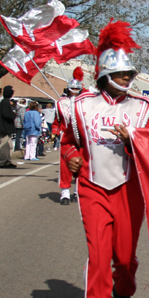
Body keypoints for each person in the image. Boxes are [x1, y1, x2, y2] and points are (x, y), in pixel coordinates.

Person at [62, 20, 149, 298]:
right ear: (104, 75)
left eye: (130, 74)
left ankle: (124, 293)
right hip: (93, 186)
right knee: (99, 254)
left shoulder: (144, 109)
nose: (128, 80)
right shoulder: (81, 107)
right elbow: (68, 142)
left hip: (130, 189)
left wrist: (132, 143)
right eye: (121, 75)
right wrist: (72, 157)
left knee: (125, 256)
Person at [56, 67, 85, 205]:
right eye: (72, 89)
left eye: (77, 89)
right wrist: (55, 130)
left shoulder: (85, 102)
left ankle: (77, 191)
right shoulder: (60, 103)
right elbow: (57, 121)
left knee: (82, 166)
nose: (74, 91)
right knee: (66, 166)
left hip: (82, 139)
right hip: (66, 139)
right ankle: (64, 193)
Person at [0, 86, 17, 169]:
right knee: (4, 146)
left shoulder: (5, 102)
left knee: (9, 146)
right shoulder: (5, 103)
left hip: (7, 128)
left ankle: (7, 161)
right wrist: (14, 114)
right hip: (5, 128)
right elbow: (7, 115)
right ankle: (1, 162)